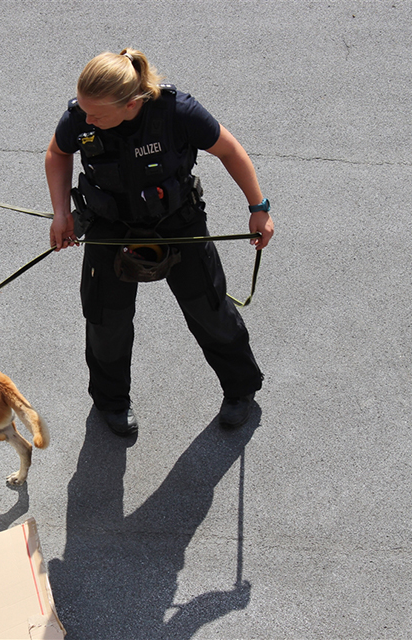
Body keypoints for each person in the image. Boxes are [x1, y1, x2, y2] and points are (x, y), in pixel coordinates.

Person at [45, 48, 274, 436]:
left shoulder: (178, 112)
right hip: (109, 225)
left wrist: (259, 207)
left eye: (96, 115)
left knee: (210, 309)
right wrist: (61, 214)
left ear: (131, 103)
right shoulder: (80, 116)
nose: (86, 120)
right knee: (106, 321)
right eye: (83, 111)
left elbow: (229, 150)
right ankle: (111, 402)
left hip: (177, 222)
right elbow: (57, 152)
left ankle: (240, 390)